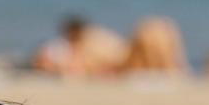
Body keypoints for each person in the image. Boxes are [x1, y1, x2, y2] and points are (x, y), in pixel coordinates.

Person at [30, 15, 188, 77]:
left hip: (125, 59)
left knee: (153, 32)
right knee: (155, 32)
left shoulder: (84, 44)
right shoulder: (96, 37)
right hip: (126, 57)